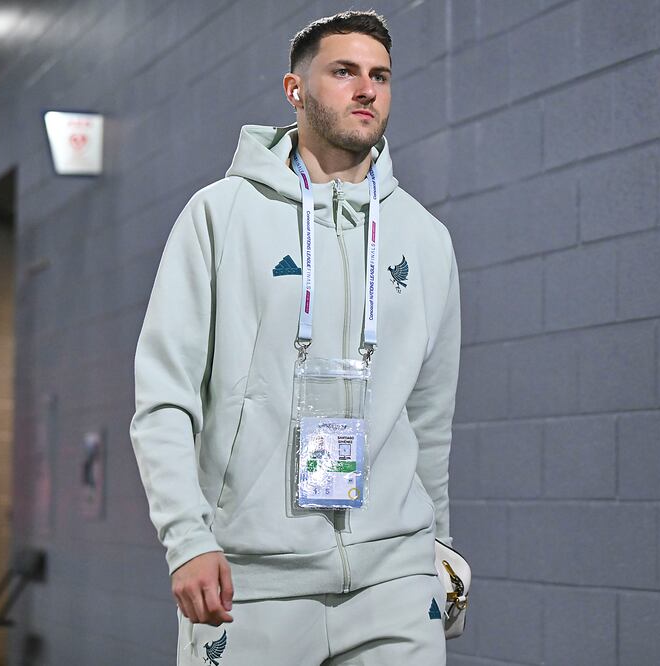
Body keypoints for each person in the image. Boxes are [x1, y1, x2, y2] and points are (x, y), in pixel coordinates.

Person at [130, 10, 461, 665]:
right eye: (344, 72)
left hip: (394, 581)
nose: (366, 89)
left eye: (380, 76)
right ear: (295, 90)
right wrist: (187, 539)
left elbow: (430, 415)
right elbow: (165, 400)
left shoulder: (425, 239)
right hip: (251, 584)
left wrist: (439, 549)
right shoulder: (219, 217)